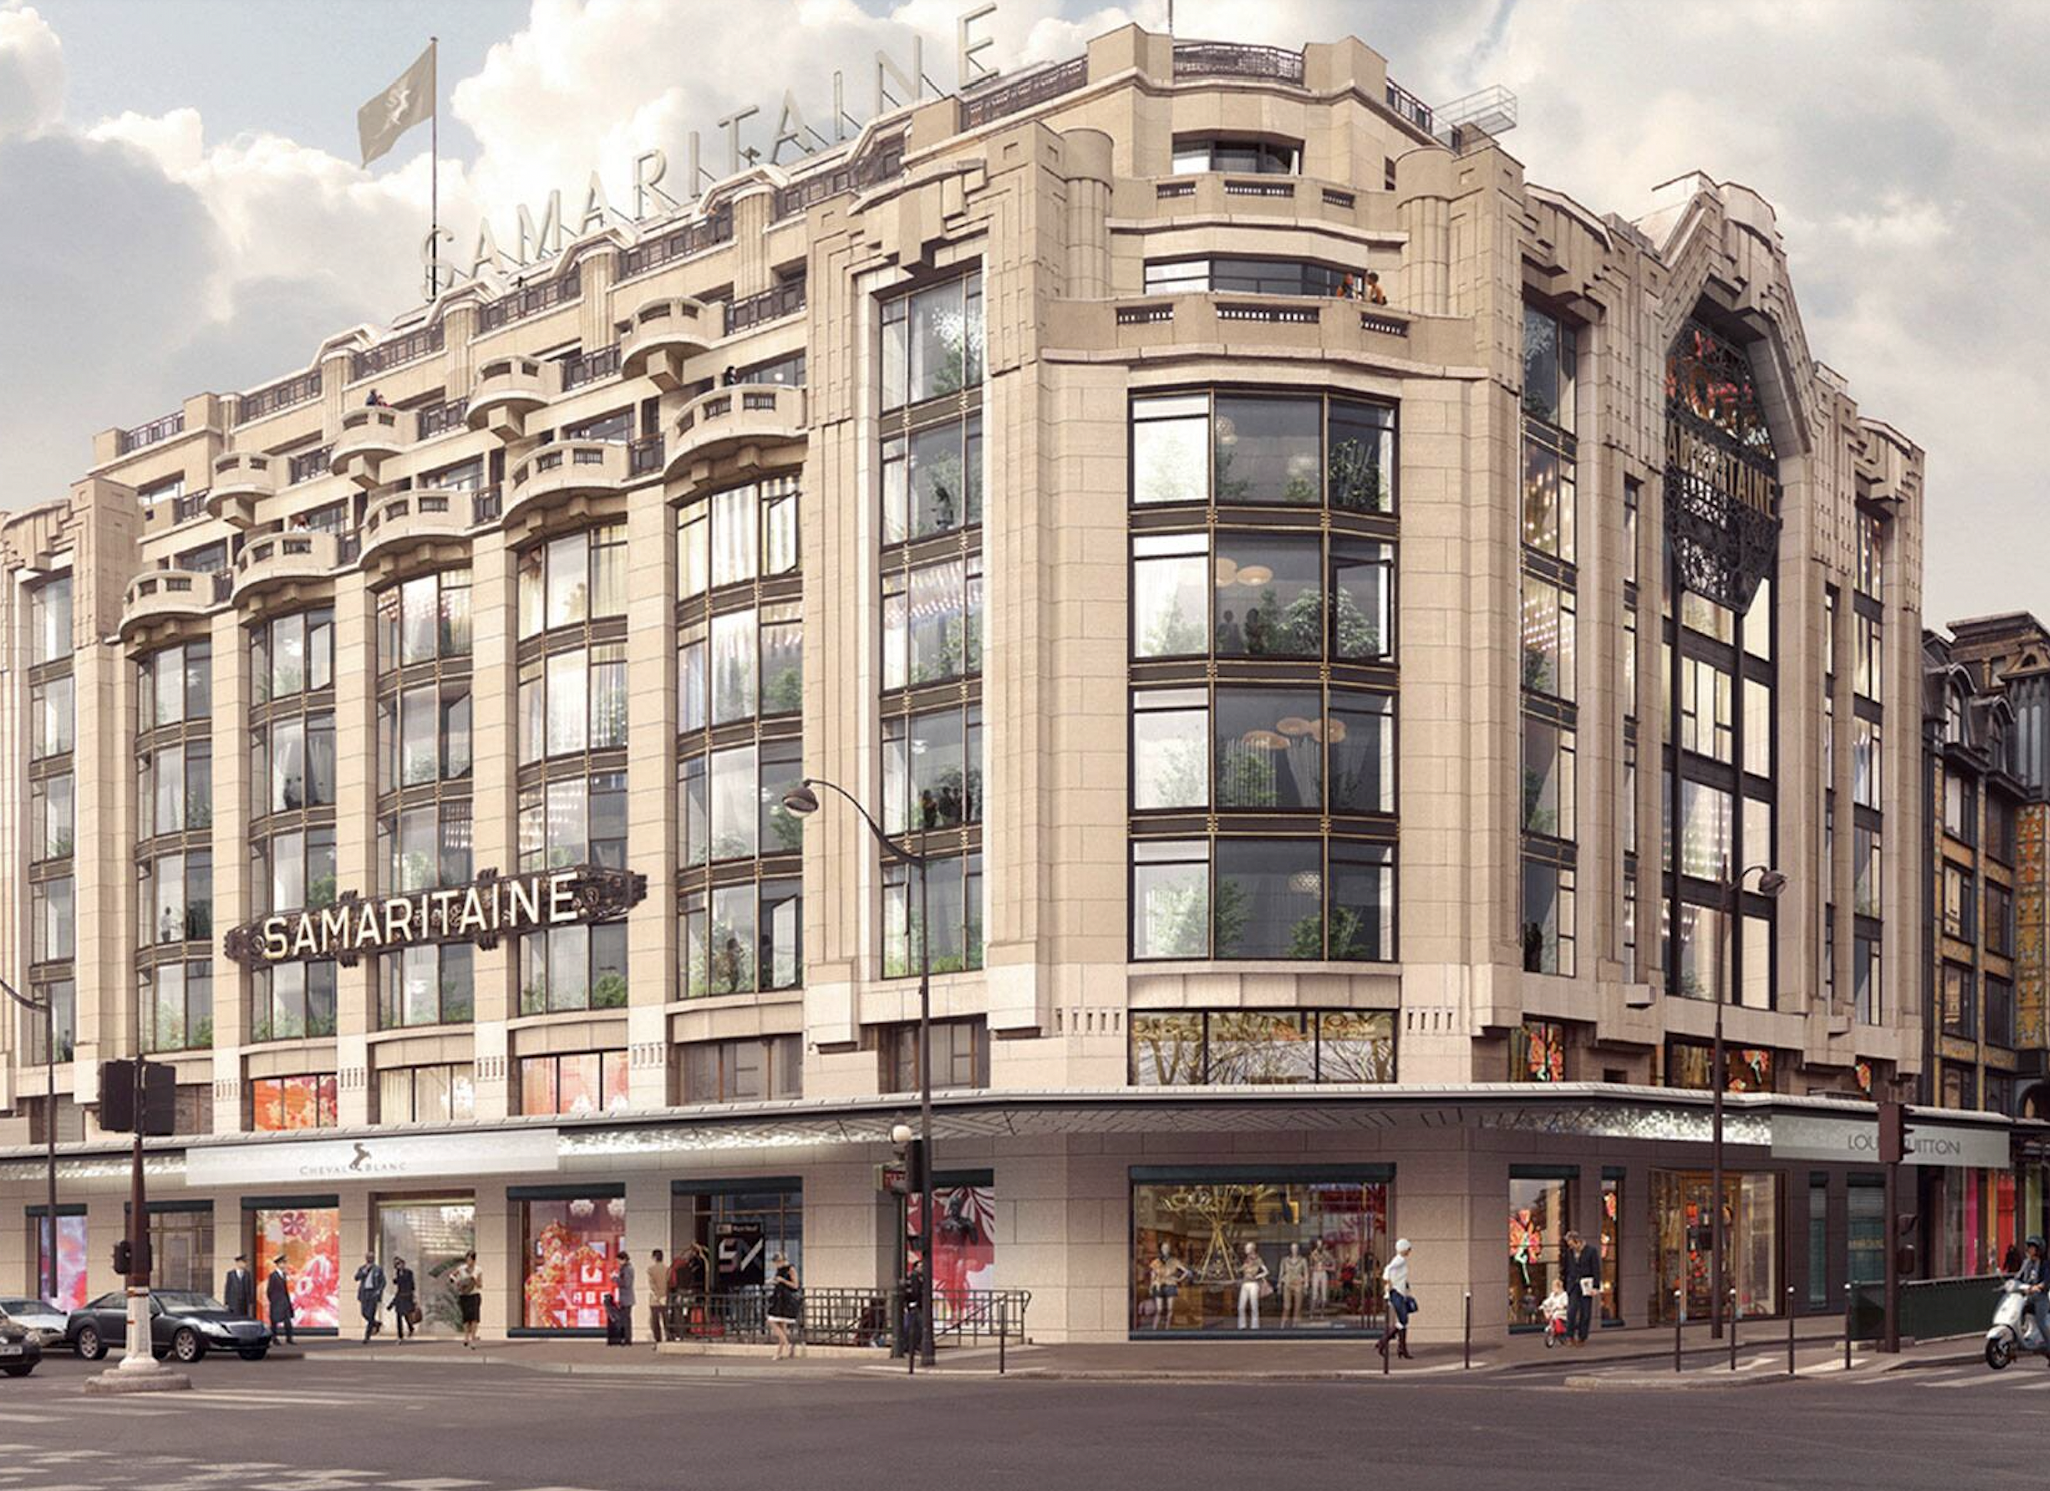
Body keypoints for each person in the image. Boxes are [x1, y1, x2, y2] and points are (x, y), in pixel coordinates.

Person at [1377, 1238, 1416, 1360]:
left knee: (1403, 1321)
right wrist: (1387, 1281)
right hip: (1396, 1294)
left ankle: (1401, 1349)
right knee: (1403, 1320)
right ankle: (1383, 1342)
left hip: (1399, 1293)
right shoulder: (1399, 1260)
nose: (1409, 1251)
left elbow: (1398, 1276)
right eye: (1408, 1249)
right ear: (1404, 1249)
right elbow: (1388, 1269)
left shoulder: (1401, 1260)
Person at [1562, 1228, 1601, 1346]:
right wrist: (1565, 1284)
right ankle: (1569, 1336)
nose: (1570, 1246)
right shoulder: (1569, 1253)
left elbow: (1596, 1269)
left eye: (1571, 1243)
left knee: (1585, 1312)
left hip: (1586, 1284)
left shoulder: (1591, 1251)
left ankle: (1582, 1337)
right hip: (1573, 1284)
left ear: (1576, 1241)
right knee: (1571, 1311)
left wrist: (1596, 1286)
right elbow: (1566, 1268)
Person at [1147, 1244, 1190, 1332]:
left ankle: (1167, 1328)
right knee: (1159, 1309)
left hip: (1170, 1284)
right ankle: (1154, 1329)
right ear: (1161, 1249)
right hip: (1159, 1285)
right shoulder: (1156, 1261)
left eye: (1167, 1248)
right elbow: (1152, 1274)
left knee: (1170, 1308)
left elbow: (1186, 1271)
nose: (1165, 1250)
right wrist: (1151, 1286)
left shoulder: (1174, 1261)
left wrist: (1179, 1279)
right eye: (1163, 1248)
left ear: (1169, 1249)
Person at [766, 1252, 802, 1360]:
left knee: (771, 1321)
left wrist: (783, 1281)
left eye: (778, 1262)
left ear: (782, 1261)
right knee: (781, 1326)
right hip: (779, 1298)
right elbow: (778, 1281)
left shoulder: (791, 1269)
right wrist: (773, 1281)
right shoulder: (779, 1271)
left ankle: (787, 1345)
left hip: (786, 1300)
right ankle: (779, 1352)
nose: (777, 1265)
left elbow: (795, 1285)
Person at [2017, 1236, 2050, 1352]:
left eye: (2032, 1248)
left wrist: (2039, 1286)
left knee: (2041, 1322)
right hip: (2027, 1296)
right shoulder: (2026, 1263)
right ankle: (2019, 1338)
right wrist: (2012, 1284)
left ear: (2039, 1250)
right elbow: (2019, 1277)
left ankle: (2048, 1345)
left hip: (2040, 1298)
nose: (2029, 1250)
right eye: (2029, 1247)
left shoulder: (2045, 1264)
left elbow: (2047, 1281)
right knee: (2016, 1313)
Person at [452, 1250, 483, 1349]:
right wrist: (457, 1283)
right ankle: (466, 1337)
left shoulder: (478, 1270)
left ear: (474, 1260)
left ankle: (473, 1338)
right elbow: (452, 1276)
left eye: (470, 1259)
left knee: (474, 1318)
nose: (468, 1261)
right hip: (464, 1295)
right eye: (467, 1259)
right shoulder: (461, 1269)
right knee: (466, 1318)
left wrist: (474, 1281)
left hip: (474, 1295)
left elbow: (480, 1285)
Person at [1236, 1242, 1270, 1331]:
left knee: (1254, 1305)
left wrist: (1257, 1276)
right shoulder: (1246, 1259)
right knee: (1241, 1306)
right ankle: (1241, 1325)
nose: (1245, 1249)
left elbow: (1266, 1271)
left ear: (1252, 1249)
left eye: (1247, 1248)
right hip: (1245, 1283)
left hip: (1253, 1284)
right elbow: (1242, 1269)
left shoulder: (1258, 1259)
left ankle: (1255, 1326)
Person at [354, 1252, 386, 1343]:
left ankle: (366, 1337)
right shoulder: (362, 1268)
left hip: (373, 1293)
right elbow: (356, 1278)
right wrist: (364, 1272)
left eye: (371, 1257)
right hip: (364, 1293)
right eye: (368, 1257)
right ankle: (376, 1323)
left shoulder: (378, 1269)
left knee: (371, 1314)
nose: (369, 1258)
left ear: (374, 1258)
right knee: (364, 1313)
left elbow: (383, 1282)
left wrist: (379, 1291)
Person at [1279, 1242, 1309, 1328]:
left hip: (1298, 1283)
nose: (1294, 1250)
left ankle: (1295, 1324)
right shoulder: (1285, 1260)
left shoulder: (1303, 1260)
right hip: (1287, 1282)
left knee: (1298, 1306)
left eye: (1296, 1248)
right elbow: (1281, 1272)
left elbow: (1306, 1272)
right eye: (1293, 1248)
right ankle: (1283, 1324)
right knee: (1286, 1306)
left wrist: (1306, 1283)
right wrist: (1279, 1283)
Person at [266, 1257, 295, 1346]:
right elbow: (269, 1290)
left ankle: (289, 1338)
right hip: (276, 1302)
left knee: (288, 1321)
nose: (284, 1265)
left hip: (285, 1302)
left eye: (285, 1263)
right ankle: (274, 1338)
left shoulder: (284, 1275)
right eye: (282, 1263)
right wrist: (273, 1301)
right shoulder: (273, 1276)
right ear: (278, 1264)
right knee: (274, 1322)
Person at [389, 1257, 417, 1341]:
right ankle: (400, 1335)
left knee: (406, 1314)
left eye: (400, 1263)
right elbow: (396, 1283)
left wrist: (413, 1296)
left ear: (403, 1264)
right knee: (398, 1315)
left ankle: (411, 1328)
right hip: (400, 1296)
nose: (399, 1266)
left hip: (407, 1296)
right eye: (397, 1264)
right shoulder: (397, 1273)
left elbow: (411, 1284)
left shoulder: (408, 1272)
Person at [648, 1248, 669, 1346]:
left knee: (655, 1321)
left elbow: (652, 1285)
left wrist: (658, 1296)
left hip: (655, 1299)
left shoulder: (651, 1270)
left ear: (654, 1257)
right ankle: (669, 1337)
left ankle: (658, 1339)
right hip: (665, 1297)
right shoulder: (667, 1269)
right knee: (666, 1319)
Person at [223, 1253, 255, 1318]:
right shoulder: (231, 1274)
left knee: (244, 1317)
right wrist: (226, 1302)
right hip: (233, 1302)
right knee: (234, 1317)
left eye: (245, 1262)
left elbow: (250, 1288)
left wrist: (250, 1300)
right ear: (238, 1263)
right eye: (243, 1262)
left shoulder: (247, 1274)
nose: (245, 1264)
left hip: (244, 1302)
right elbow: (227, 1288)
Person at [615, 1251, 636, 1347]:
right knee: (625, 1319)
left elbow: (626, 1283)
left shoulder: (627, 1269)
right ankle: (626, 1338)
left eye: (618, 1260)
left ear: (623, 1259)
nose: (618, 1262)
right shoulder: (626, 1268)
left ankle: (627, 1339)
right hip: (626, 1298)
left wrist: (615, 1279)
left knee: (626, 1319)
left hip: (626, 1298)